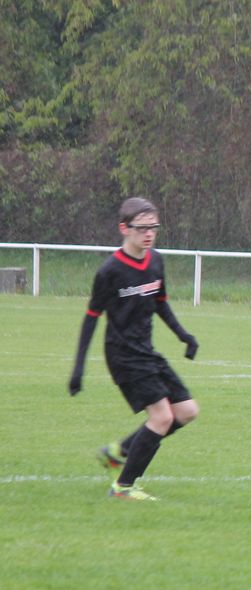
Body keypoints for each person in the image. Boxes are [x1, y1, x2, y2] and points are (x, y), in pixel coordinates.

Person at [68, 197, 200, 501]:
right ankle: (123, 487)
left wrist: (184, 336)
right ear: (124, 229)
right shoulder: (110, 271)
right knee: (162, 417)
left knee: (186, 411)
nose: (149, 234)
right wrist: (78, 369)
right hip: (123, 356)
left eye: (153, 227)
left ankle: (119, 452)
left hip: (147, 352)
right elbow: (91, 318)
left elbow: (160, 304)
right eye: (142, 228)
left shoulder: (155, 261)